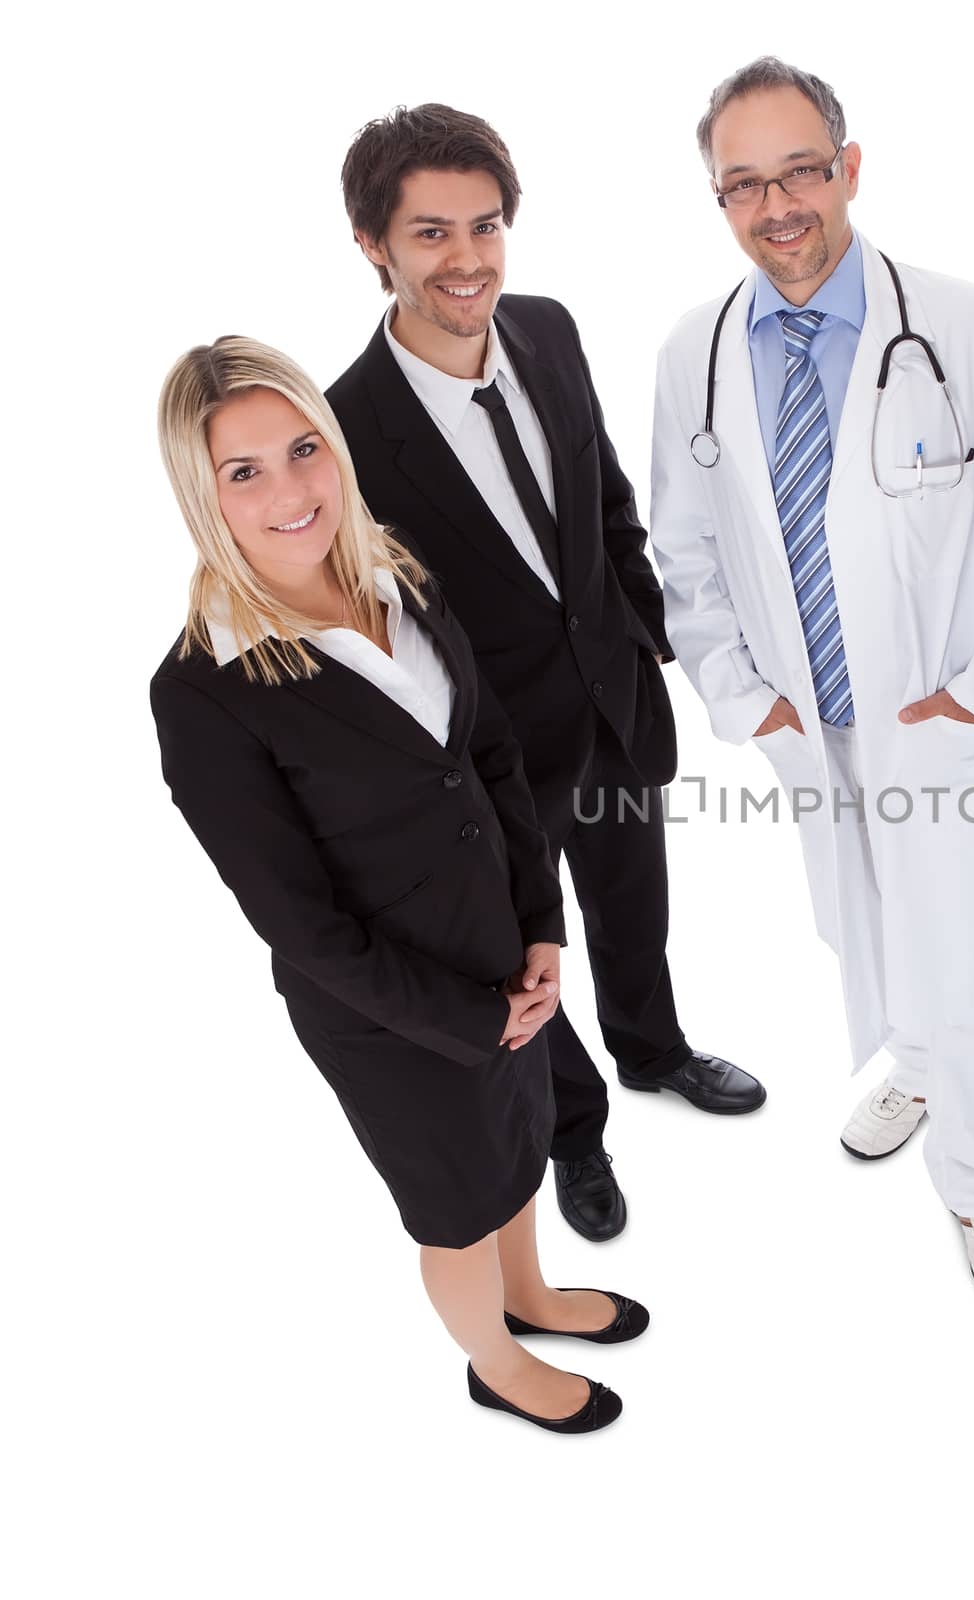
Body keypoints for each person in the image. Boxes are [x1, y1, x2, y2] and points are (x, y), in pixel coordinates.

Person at [651, 58, 974, 1296]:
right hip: (813, 722)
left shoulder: (963, 323)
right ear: (721, 201)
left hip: (941, 718)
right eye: (745, 183)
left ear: (850, 167)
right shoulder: (695, 353)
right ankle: (907, 1058)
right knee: (857, 920)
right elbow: (680, 551)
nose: (779, 205)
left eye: (801, 170)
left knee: (968, 965)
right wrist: (746, 698)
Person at [151, 337, 648, 1434]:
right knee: (459, 1206)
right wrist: (474, 1017)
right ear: (204, 494)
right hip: (396, 1018)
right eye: (244, 472)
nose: (290, 491)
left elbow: (493, 754)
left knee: (518, 1148)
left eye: (302, 449)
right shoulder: (205, 689)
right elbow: (302, 926)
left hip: (502, 958)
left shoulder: (398, 570)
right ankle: (494, 1360)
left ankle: (533, 1293)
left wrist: (540, 929)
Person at [327, 104, 764, 1245]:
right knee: (530, 954)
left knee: (634, 909)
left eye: (485, 226)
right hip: (490, 761)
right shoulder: (344, 430)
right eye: (430, 234)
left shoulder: (550, 330)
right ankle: (576, 1131)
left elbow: (605, 501)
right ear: (372, 245)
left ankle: (656, 1049)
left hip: (612, 708)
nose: (466, 260)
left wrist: (660, 635)